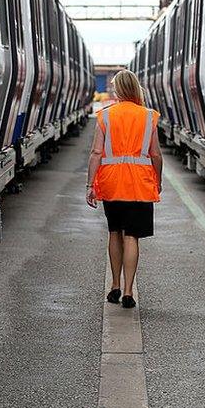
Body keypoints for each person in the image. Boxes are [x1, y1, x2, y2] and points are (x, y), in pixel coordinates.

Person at [86, 70, 163, 309]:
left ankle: (115, 286)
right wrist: (157, 181)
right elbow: (156, 154)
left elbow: (96, 152)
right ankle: (129, 292)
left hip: (111, 183)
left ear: (118, 90)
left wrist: (90, 185)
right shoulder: (149, 116)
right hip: (139, 184)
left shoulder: (105, 116)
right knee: (132, 237)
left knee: (114, 233)